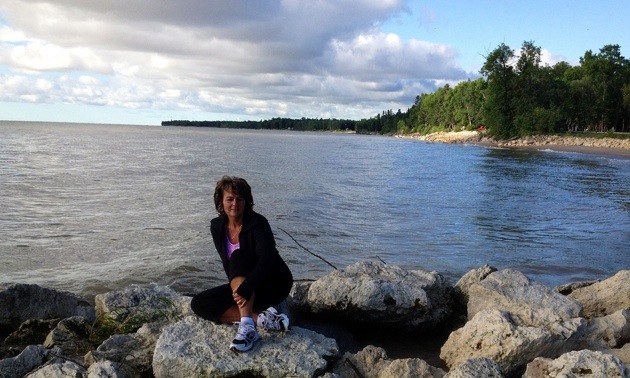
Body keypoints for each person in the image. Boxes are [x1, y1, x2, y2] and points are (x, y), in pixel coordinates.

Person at [191, 176, 293, 352]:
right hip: (247, 287)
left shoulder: (258, 224)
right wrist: (239, 291)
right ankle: (261, 319)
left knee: (239, 256)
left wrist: (247, 287)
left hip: (274, 283)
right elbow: (227, 265)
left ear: (247, 202)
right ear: (221, 201)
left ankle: (247, 331)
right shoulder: (217, 226)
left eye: (240, 199)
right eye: (229, 198)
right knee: (199, 303)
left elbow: (267, 261)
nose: (234, 204)